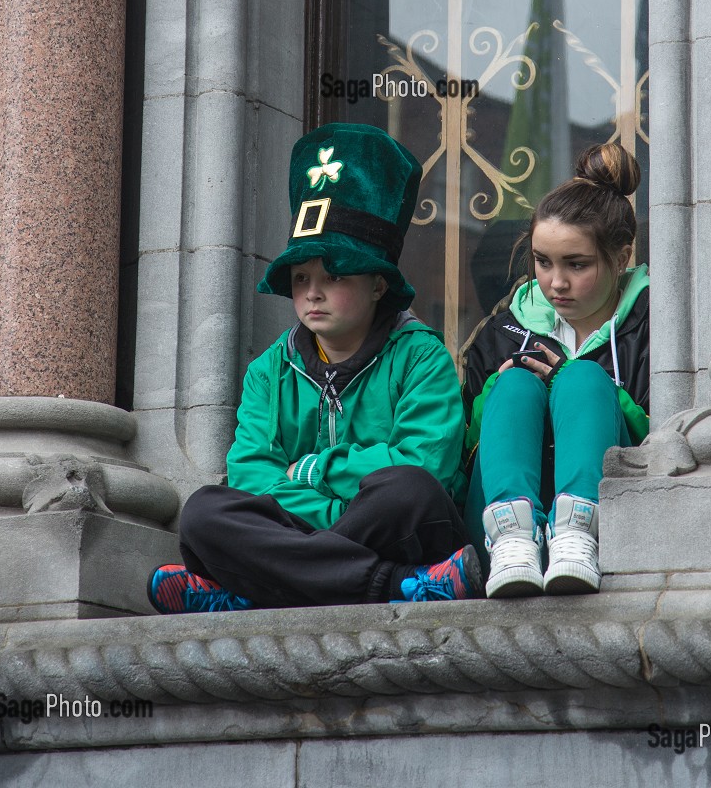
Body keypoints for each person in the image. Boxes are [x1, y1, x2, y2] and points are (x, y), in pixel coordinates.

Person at [148, 122, 482, 613]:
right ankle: (398, 584)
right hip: (331, 531)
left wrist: (311, 472)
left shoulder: (421, 355)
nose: (311, 291)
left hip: (389, 524)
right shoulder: (269, 369)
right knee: (203, 511)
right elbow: (250, 475)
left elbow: (423, 462)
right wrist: (337, 509)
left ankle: (254, 587)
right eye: (301, 276)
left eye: (334, 275)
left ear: (378, 285)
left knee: (408, 492)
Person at [460, 143, 648, 598]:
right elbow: (462, 451)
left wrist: (570, 379)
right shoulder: (502, 330)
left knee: (581, 377)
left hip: (622, 528)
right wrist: (500, 392)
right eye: (543, 262)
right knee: (516, 384)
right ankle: (513, 537)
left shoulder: (656, 324)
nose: (555, 283)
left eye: (576, 265)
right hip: (498, 537)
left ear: (620, 258)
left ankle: (576, 532)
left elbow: (668, 437)